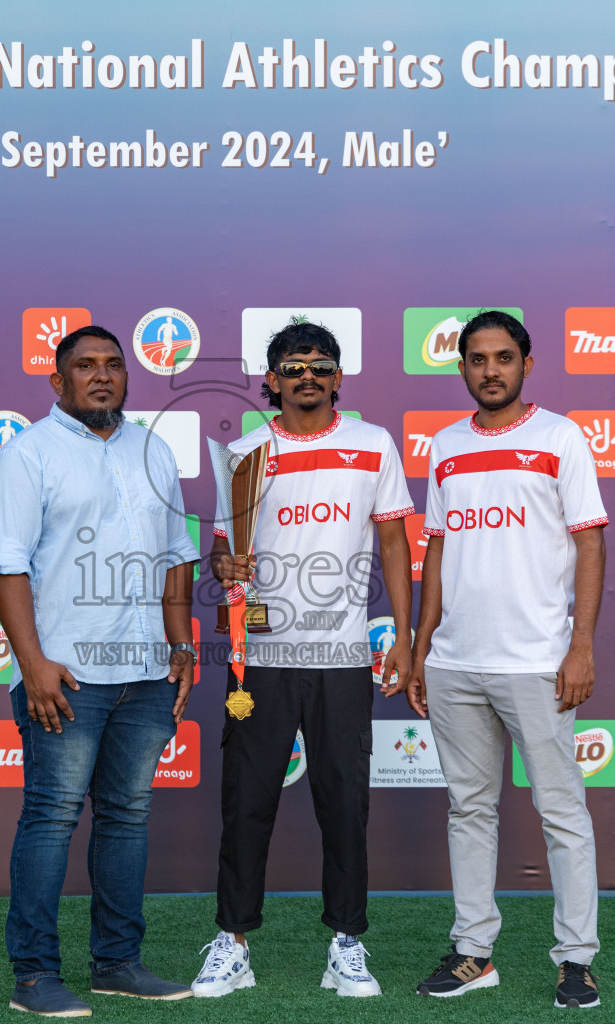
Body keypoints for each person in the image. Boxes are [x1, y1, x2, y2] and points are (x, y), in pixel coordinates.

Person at [192, 320, 414, 999]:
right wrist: (223, 563)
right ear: (275, 379)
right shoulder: (247, 455)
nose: (307, 375)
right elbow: (226, 558)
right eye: (294, 366)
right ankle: (233, 942)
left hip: (344, 656)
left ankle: (346, 943)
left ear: (338, 376)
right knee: (247, 803)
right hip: (259, 659)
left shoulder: (372, 444)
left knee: (344, 806)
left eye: (320, 364)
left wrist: (402, 637)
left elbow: (397, 547)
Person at [0, 325, 201, 1017]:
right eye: (85, 367)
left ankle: (117, 963)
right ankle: (33, 976)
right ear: (58, 381)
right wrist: (34, 664)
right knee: (50, 817)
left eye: (113, 365)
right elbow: (7, 564)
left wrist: (182, 647)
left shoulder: (153, 449)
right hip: (67, 674)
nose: (101, 376)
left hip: (145, 672)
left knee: (127, 818)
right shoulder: (26, 456)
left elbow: (176, 554)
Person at [404, 309, 608, 1009]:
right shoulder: (445, 445)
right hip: (455, 661)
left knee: (561, 812)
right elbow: (435, 551)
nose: (489, 370)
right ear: (461, 367)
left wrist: (579, 646)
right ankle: (473, 951)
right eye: (476, 358)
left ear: (526, 364)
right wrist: (420, 646)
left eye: (502, 357)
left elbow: (589, 542)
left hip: (537, 661)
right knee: (469, 807)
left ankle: (576, 959)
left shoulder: (560, 437)